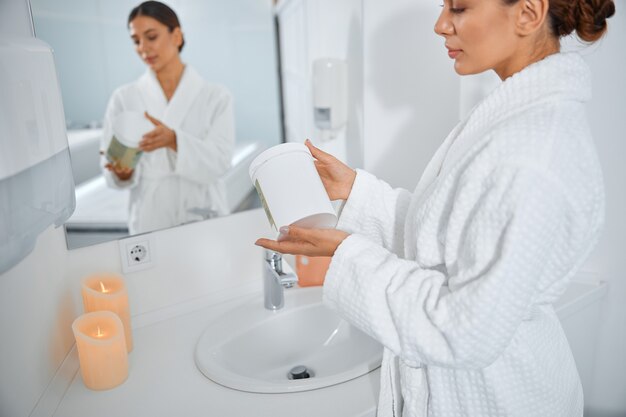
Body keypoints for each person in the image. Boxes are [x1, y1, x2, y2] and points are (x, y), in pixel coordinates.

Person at [256, 0, 615, 416]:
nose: (440, 24)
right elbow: (451, 240)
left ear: (528, 14)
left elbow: (468, 331)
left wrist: (346, 256)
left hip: (501, 398)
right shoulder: (512, 120)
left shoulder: (534, 152)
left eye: (459, 8)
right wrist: (355, 191)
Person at [101, 1, 235, 235]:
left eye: (151, 37)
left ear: (177, 36)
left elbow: (220, 162)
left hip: (202, 212)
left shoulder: (215, 96)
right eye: (136, 40)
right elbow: (113, 171)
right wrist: (122, 172)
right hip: (151, 218)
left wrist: (174, 140)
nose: (143, 48)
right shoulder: (124, 98)